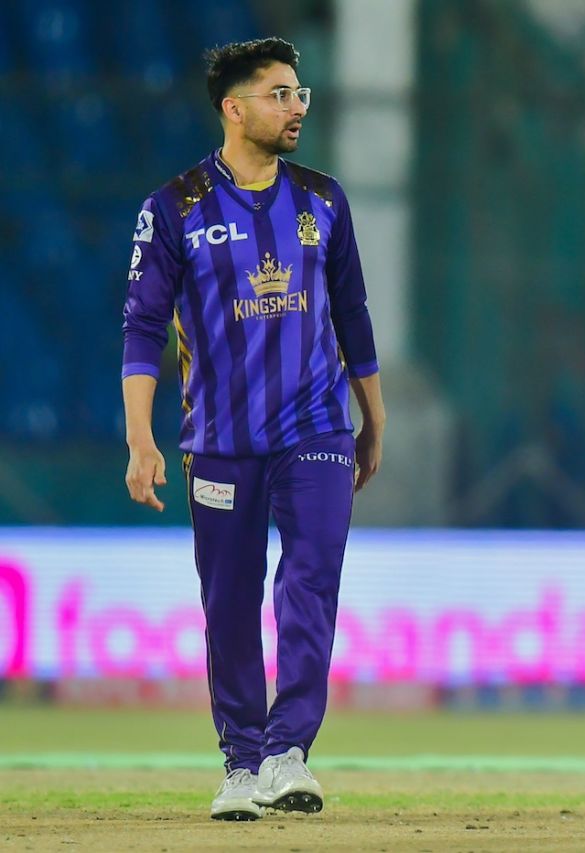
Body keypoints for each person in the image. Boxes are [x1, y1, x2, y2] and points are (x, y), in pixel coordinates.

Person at [121, 37, 385, 821]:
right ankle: (240, 760)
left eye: (301, 93)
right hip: (221, 439)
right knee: (230, 600)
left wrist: (374, 417)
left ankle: (287, 751)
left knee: (311, 581)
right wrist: (141, 437)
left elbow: (353, 314)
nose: (297, 106)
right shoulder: (173, 207)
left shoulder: (324, 200)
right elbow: (142, 327)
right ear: (234, 108)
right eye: (280, 94)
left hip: (317, 430)